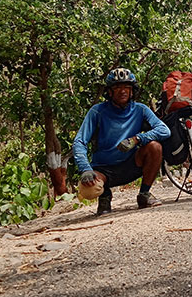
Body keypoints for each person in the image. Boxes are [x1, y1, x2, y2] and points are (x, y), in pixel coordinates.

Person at [73, 68, 171, 215]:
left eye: (127, 87)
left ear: (132, 91)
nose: (122, 91)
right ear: (110, 92)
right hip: (103, 169)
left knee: (155, 147)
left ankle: (144, 194)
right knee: (88, 190)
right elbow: (79, 141)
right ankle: (105, 196)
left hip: (131, 164)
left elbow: (164, 130)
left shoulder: (141, 109)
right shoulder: (97, 111)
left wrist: (137, 139)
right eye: (117, 87)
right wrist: (85, 169)